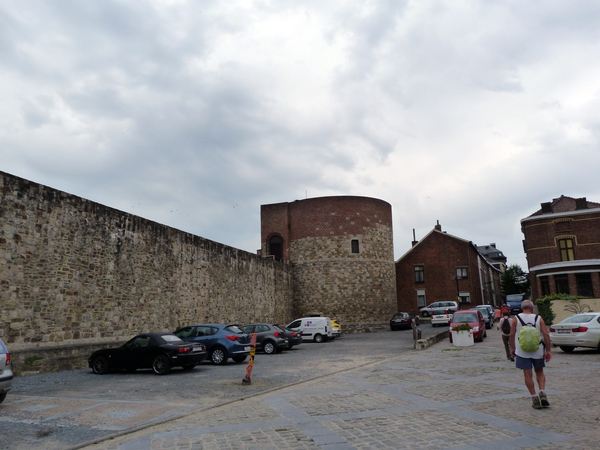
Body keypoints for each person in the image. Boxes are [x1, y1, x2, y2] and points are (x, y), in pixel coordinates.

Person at [510, 300, 552, 409]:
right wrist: (548, 350)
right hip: (537, 349)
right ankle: (542, 392)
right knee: (539, 371)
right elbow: (546, 334)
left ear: (522, 308)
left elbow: (511, 334)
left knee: (527, 374)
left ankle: (534, 398)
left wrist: (513, 348)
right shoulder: (538, 318)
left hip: (522, 350)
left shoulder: (516, 318)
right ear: (532, 308)